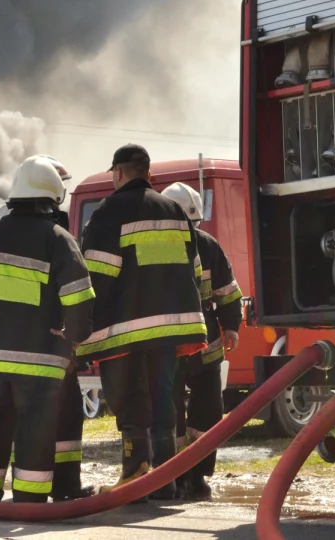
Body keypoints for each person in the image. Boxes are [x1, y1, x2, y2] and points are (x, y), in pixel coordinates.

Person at [0, 157, 95, 503]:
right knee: (35, 430)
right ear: (53, 194)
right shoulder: (58, 238)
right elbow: (80, 296)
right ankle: (29, 500)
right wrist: (72, 336)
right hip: (42, 361)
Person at [75, 144, 208, 501]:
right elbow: (194, 270)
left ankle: (135, 478)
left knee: (130, 403)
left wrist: (83, 329)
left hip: (125, 331)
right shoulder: (174, 211)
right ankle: (165, 482)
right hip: (169, 331)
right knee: (164, 400)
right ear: (149, 174)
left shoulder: (108, 212)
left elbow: (97, 277)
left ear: (117, 173)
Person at [161, 182, 244, 500]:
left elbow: (226, 290)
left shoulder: (208, 246)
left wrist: (232, 326)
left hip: (204, 344)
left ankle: (197, 474)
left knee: (209, 408)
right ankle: (176, 473)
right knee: (169, 412)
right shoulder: (158, 247)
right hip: (170, 346)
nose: (190, 229)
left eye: (193, 224)